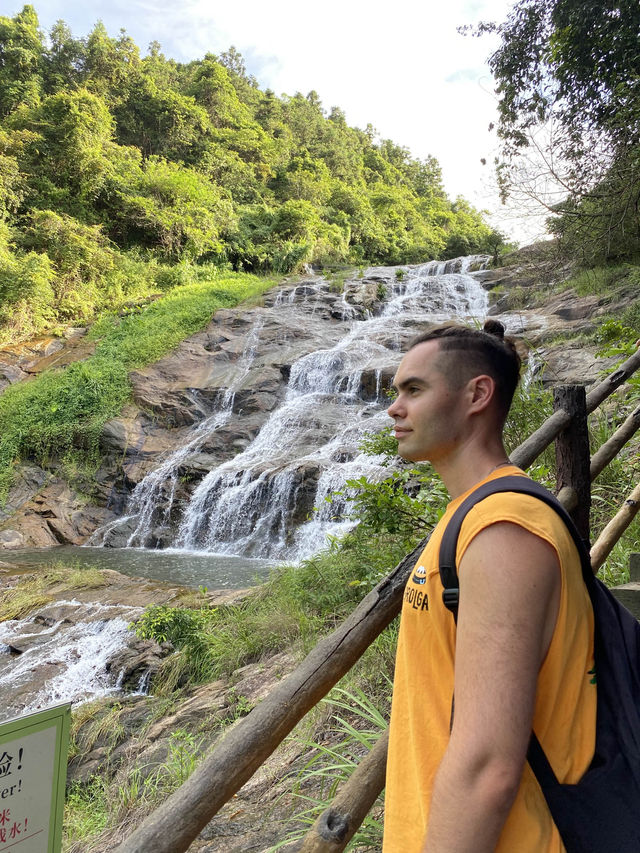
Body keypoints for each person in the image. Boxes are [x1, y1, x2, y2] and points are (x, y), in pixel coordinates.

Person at [382, 321, 596, 853]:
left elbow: (487, 767)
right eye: (396, 392)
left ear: (477, 394)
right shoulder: (474, 513)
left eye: (414, 389)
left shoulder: (503, 532)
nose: (394, 408)